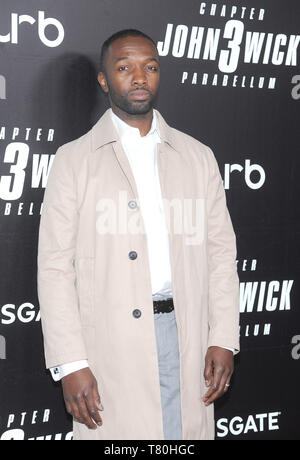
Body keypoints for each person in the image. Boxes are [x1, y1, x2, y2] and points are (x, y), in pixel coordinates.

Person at [37, 28, 240, 441]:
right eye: (125, 67)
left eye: (150, 67)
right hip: (109, 348)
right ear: (104, 80)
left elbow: (221, 256)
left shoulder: (198, 158)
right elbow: (55, 268)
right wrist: (71, 362)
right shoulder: (73, 161)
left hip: (186, 337)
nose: (140, 77)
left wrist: (223, 337)